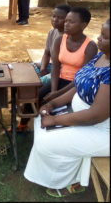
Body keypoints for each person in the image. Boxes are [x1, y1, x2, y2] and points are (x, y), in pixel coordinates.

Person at [24, 19, 110, 198]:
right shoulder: (101, 56)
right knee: (41, 121)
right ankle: (72, 177)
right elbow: (78, 87)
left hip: (102, 129)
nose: (99, 39)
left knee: (46, 141)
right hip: (85, 118)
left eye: (105, 37)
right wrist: (53, 104)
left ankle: (69, 181)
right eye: (101, 34)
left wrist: (55, 119)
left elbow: (96, 115)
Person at [17, 4, 71, 133]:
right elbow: (46, 53)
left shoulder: (69, 37)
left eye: (60, 18)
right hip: (51, 66)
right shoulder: (52, 32)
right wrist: (42, 68)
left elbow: (60, 66)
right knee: (26, 70)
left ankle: (23, 122)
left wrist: (45, 73)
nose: (55, 20)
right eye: (53, 16)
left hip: (61, 72)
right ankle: (20, 103)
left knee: (35, 89)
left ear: (67, 20)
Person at [46, 7, 98, 101]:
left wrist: (57, 94)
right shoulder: (59, 40)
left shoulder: (90, 47)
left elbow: (82, 76)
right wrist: (53, 91)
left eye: (71, 22)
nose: (66, 24)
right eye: (66, 21)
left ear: (83, 25)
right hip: (58, 80)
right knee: (32, 100)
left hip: (76, 85)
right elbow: (55, 67)